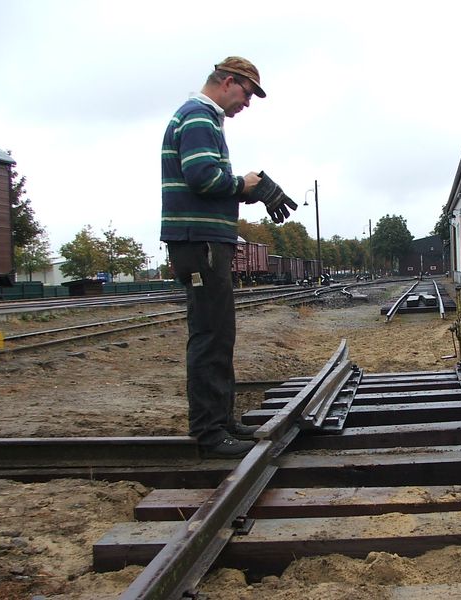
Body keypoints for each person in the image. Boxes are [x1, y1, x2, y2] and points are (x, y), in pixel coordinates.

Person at [160, 57, 297, 458]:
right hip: (199, 242)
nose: (248, 104)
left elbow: (204, 176)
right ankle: (209, 431)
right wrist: (244, 184)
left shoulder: (201, 117)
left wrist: (245, 188)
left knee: (218, 333)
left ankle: (220, 420)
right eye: (248, 93)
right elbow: (202, 177)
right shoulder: (199, 116)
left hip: (204, 242)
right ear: (229, 82)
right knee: (210, 336)